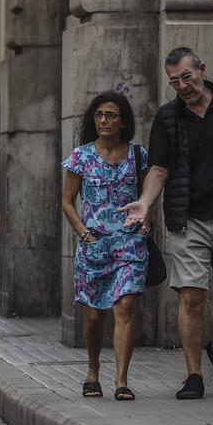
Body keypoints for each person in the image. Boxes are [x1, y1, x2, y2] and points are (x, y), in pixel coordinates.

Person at [120, 47, 213, 401]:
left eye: (186, 76)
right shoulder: (168, 118)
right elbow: (158, 169)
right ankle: (193, 375)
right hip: (189, 220)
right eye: (174, 81)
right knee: (192, 296)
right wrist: (146, 201)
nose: (182, 85)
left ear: (202, 69)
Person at [61, 92, 145, 402]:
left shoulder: (139, 156)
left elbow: (149, 194)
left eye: (110, 115)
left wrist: (145, 223)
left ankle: (121, 381)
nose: (103, 121)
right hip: (94, 246)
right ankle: (93, 371)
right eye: (98, 115)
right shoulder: (81, 156)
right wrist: (84, 234)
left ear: (123, 121)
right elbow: (67, 202)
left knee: (124, 306)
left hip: (129, 244)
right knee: (95, 315)